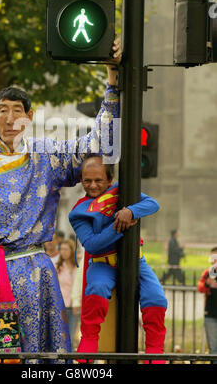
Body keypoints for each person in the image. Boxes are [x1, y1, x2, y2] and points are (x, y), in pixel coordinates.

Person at [0, 39, 122, 355]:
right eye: (3, 111)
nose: (10, 117)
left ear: (29, 117)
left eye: (18, 111)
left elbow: (100, 146)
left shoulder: (47, 155)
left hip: (37, 278)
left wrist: (112, 81)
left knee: (37, 362)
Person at [68, 155, 167, 361]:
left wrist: (130, 211)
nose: (93, 185)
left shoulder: (122, 191)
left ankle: (154, 353)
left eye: (98, 180)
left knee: (156, 298)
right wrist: (119, 226)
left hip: (135, 261)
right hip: (102, 264)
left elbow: (152, 204)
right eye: (87, 180)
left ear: (109, 180)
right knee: (96, 290)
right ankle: (87, 346)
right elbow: (93, 243)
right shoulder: (78, 212)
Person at [56, 239, 79, 349]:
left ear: (71, 250)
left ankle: (71, 358)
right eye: (62, 249)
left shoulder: (77, 267)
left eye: (66, 249)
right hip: (61, 305)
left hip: (74, 306)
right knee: (62, 335)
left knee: (72, 334)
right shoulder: (58, 267)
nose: (63, 252)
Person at [197, 247, 217, 364]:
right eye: (213, 258)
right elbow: (200, 287)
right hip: (210, 314)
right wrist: (207, 282)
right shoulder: (208, 272)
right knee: (213, 349)